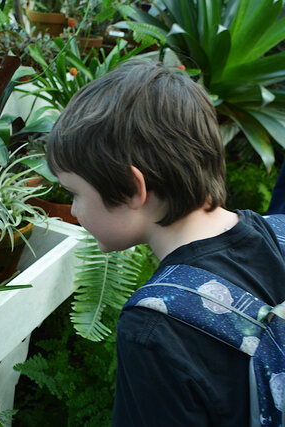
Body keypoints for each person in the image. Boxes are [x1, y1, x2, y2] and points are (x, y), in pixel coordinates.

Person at [46, 59, 285, 426]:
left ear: (131, 189)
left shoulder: (155, 328)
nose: (74, 210)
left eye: (74, 192)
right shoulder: (279, 235)